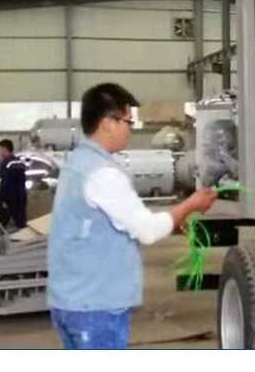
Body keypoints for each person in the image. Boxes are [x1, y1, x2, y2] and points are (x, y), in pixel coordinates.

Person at [47, 83, 218, 349]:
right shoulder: (103, 173)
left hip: (72, 303)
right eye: (128, 121)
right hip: (96, 308)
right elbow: (147, 230)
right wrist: (191, 205)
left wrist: (173, 222)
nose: (131, 129)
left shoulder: (78, 163)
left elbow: (107, 223)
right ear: (108, 123)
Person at [0, 139, 28, 230]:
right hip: (21, 196)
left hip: (9, 198)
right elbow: (22, 180)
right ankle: (23, 235)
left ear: (5, 149)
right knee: (21, 221)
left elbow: (5, 183)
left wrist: (2, 200)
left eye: (0, 149)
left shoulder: (6, 163)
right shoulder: (19, 162)